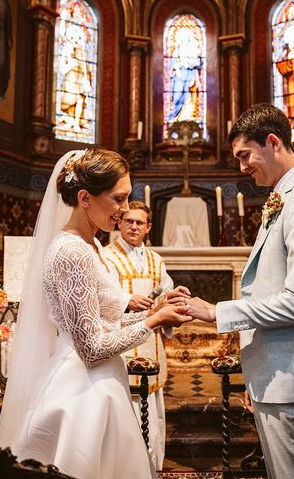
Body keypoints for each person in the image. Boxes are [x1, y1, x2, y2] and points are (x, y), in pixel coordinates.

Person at [0, 149, 192, 479]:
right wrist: (154, 321)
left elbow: (106, 321)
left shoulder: (93, 246)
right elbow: (91, 347)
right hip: (81, 390)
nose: (126, 210)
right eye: (118, 199)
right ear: (85, 198)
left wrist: (156, 308)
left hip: (103, 380)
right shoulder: (72, 252)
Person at [187, 103, 294, 478]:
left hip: (292, 375)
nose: (241, 167)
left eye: (245, 155)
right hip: (276, 373)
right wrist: (257, 375)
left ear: (273, 142)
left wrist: (216, 311)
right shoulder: (285, 196)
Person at [102, 201, 182, 471]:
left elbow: (165, 293)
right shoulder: (106, 257)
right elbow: (102, 300)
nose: (133, 226)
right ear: (120, 223)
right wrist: (126, 301)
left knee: (151, 409)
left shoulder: (156, 260)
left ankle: (151, 468)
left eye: (139, 222)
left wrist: (172, 298)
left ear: (148, 227)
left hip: (151, 344)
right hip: (121, 343)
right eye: (128, 221)